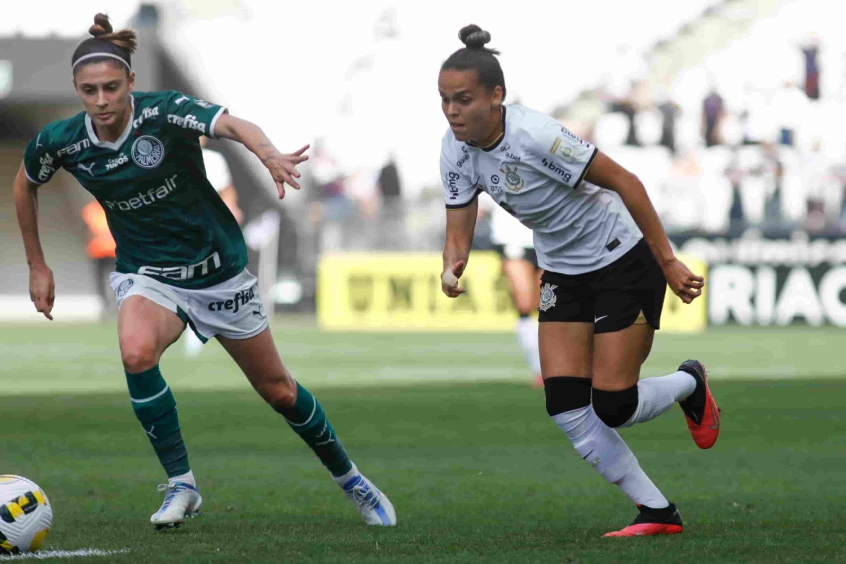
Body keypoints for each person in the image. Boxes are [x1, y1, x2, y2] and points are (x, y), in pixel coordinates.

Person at [14, 14, 395, 529]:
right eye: (89, 91)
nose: (101, 100)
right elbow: (24, 184)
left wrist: (268, 155)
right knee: (135, 352)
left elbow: (233, 125)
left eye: (110, 87)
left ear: (130, 82)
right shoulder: (62, 140)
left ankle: (353, 480)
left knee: (279, 390)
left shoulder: (165, 112)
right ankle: (182, 484)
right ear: (77, 91)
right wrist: (37, 264)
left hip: (219, 273)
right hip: (149, 274)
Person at [438, 25, 719, 537]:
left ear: (496, 97)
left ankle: (689, 383)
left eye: (463, 99)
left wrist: (669, 262)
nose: (452, 111)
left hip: (622, 258)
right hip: (563, 271)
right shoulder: (454, 150)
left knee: (614, 404)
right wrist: (451, 266)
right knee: (565, 401)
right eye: (445, 101)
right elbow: (458, 229)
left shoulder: (534, 135)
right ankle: (657, 512)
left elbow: (626, 182)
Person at [183, 137, 243, 357]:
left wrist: (233, 210)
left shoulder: (214, 160)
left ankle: (201, 325)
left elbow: (227, 190)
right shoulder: (169, 156)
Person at [486, 199, 542, 385]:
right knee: (525, 303)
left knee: (550, 304)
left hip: (549, 235)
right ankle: (539, 369)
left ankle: (559, 368)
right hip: (512, 238)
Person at [80, 200, 117, 319]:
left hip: (114, 252)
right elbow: (85, 230)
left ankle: (115, 305)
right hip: (97, 252)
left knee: (117, 281)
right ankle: (105, 306)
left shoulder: (114, 207)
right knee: (100, 282)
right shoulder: (89, 210)